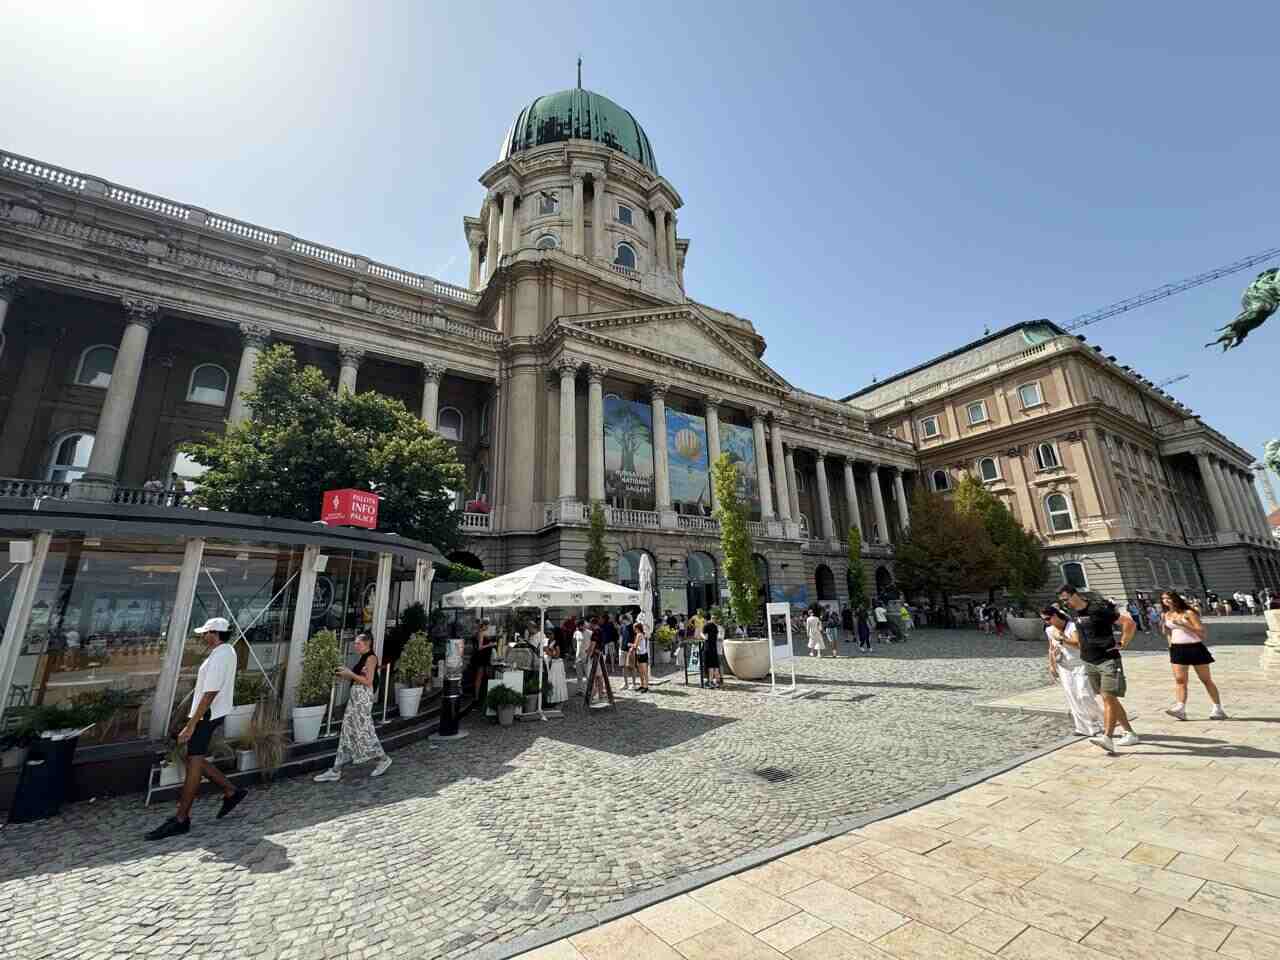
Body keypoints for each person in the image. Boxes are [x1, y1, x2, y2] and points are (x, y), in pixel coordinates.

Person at [145, 617, 247, 840]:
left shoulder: (221, 655)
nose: (203, 637)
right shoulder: (225, 652)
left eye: (206, 633)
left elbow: (210, 692)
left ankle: (182, 818)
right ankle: (231, 791)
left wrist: (191, 725)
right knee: (195, 760)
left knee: (194, 760)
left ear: (215, 633)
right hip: (210, 713)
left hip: (207, 714)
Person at [1057, 584, 1139, 754]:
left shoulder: (1097, 610)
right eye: (1062, 601)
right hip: (1089, 660)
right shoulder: (1074, 613)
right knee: (1109, 699)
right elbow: (1080, 637)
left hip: (1107, 659)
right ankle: (1129, 733)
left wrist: (1123, 643)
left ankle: (1107, 738)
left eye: (1066, 599)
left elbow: (1128, 623)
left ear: (1075, 595)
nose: (1065, 604)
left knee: (1109, 697)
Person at [315, 632, 392, 782]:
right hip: (356, 698)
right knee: (348, 730)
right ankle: (336, 769)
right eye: (355, 643)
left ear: (367, 643)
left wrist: (350, 673)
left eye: (358, 643)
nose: (355, 646)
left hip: (362, 698)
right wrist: (346, 674)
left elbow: (368, 681)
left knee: (364, 729)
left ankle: (383, 759)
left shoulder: (371, 658)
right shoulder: (363, 658)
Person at [1159, 590, 1227, 720]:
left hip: (1194, 647)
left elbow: (1202, 633)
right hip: (1177, 649)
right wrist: (1170, 644)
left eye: (1168, 598)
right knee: (1180, 680)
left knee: (1205, 680)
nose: (1166, 601)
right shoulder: (1166, 614)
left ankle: (1218, 708)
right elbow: (1168, 632)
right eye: (1163, 599)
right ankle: (1180, 708)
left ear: (1176, 599)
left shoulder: (1188, 613)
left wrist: (1185, 625)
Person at [1042, 606, 1103, 737]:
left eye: (1048, 618)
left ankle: (1100, 720)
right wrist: (1052, 665)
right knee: (1072, 696)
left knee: (1084, 694)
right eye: (1044, 620)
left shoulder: (1072, 626)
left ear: (1055, 615)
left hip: (1080, 663)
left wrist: (1062, 639)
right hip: (1064, 666)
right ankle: (1082, 727)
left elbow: (1078, 644)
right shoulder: (1049, 630)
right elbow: (1050, 648)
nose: (1047, 622)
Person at [470, 619, 495, 705]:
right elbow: (480, 647)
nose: (488, 627)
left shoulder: (478, 633)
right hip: (481, 658)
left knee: (483, 676)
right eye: (487, 625)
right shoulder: (481, 633)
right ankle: (477, 697)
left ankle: (479, 696)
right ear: (484, 625)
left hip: (482, 657)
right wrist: (490, 645)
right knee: (479, 677)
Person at [543, 630, 569, 706]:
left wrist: (547, 651)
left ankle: (557, 699)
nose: (549, 635)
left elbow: (557, 655)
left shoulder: (557, 643)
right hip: (552, 664)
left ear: (555, 635)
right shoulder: (549, 642)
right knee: (552, 680)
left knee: (556, 681)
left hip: (556, 664)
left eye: (550, 634)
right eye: (548, 633)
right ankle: (553, 698)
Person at [703, 612, 722, 687]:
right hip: (713, 647)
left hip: (709, 647)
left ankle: (711, 682)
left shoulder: (708, 625)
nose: (714, 619)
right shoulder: (715, 626)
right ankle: (716, 682)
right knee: (715, 665)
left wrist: (705, 638)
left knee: (711, 666)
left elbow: (702, 634)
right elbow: (717, 637)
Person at [620, 615, 638, 690]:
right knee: (624, 667)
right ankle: (626, 683)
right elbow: (621, 637)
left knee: (632, 667)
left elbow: (636, 638)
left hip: (630, 650)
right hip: (623, 649)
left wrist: (633, 647)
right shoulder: (623, 627)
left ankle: (634, 684)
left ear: (625, 619)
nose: (621, 621)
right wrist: (620, 647)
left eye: (622, 620)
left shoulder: (632, 627)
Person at [632, 622, 651, 693]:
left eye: (634, 627)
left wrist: (630, 645)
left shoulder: (639, 635)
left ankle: (646, 686)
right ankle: (642, 685)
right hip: (640, 654)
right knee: (641, 671)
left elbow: (635, 646)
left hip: (642, 654)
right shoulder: (641, 634)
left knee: (644, 671)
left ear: (637, 628)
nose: (633, 629)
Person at [573, 619, 590, 685]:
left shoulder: (589, 633)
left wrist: (589, 652)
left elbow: (593, 644)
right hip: (578, 657)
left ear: (583, 625)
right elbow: (573, 641)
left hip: (586, 657)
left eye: (580, 626)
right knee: (579, 675)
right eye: (578, 626)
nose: (579, 628)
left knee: (588, 675)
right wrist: (575, 649)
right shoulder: (576, 632)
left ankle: (589, 690)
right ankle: (580, 690)